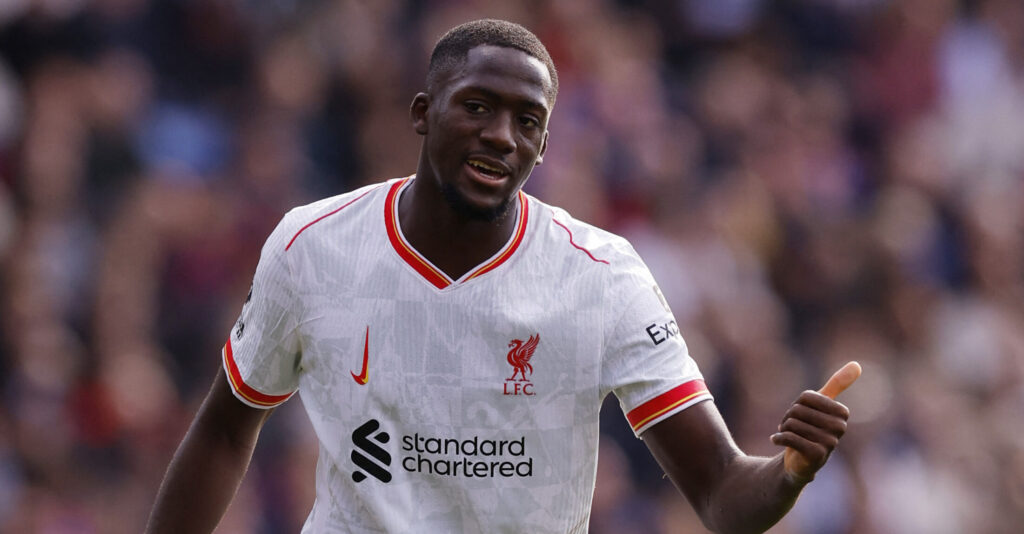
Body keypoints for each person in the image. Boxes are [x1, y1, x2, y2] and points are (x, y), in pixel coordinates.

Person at [146, 19, 860, 534]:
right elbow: (224, 429)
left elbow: (723, 495)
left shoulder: (601, 278)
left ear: (544, 145)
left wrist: (787, 472)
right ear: (424, 114)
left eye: (527, 120)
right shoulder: (314, 245)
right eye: (478, 106)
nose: (500, 135)